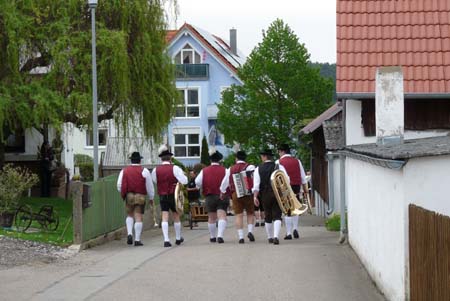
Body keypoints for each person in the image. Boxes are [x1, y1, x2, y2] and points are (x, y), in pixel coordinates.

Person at [152, 145, 188, 247]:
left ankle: (166, 240)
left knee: (165, 216)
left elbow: (155, 180)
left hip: (162, 195)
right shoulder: (175, 168)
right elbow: (184, 181)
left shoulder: (156, 170)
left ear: (161, 158)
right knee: (176, 216)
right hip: (174, 194)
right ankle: (177, 238)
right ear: (170, 158)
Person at [117, 152, 154, 246]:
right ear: (140, 160)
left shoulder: (124, 171)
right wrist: (151, 197)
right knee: (138, 217)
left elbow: (119, 185)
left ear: (131, 160)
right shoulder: (144, 171)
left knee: (129, 215)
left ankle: (129, 234)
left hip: (129, 195)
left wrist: (123, 193)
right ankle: (137, 240)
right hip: (140, 196)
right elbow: (149, 186)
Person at [252, 149, 289, 245]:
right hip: (277, 193)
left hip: (265, 194)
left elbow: (256, 185)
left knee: (267, 215)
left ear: (264, 157)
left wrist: (255, 197)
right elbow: (287, 179)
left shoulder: (258, 169)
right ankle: (276, 236)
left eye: (262, 156)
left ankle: (270, 237)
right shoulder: (279, 166)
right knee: (277, 215)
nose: (261, 158)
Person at [220, 151, 255, 244]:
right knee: (250, 213)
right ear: (245, 158)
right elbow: (254, 179)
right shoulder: (250, 167)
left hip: (236, 193)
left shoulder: (230, 169)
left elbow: (224, 183)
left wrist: (222, 191)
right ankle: (250, 232)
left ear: (236, 158)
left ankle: (241, 237)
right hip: (248, 193)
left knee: (239, 215)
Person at [277, 144, 309, 240]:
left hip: (285, 187)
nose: (278, 154)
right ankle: (295, 228)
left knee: (287, 210)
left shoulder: (278, 162)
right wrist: (305, 190)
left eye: (279, 152)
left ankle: (289, 233)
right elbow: (303, 177)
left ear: (282, 151)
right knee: (295, 208)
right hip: (296, 186)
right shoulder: (297, 161)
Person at [195, 149, 227, 243]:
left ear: (210, 160)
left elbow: (197, 182)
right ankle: (220, 235)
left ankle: (213, 237)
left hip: (210, 196)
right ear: (219, 160)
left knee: (211, 217)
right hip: (222, 195)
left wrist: (203, 186)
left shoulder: (204, 171)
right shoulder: (225, 170)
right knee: (222, 215)